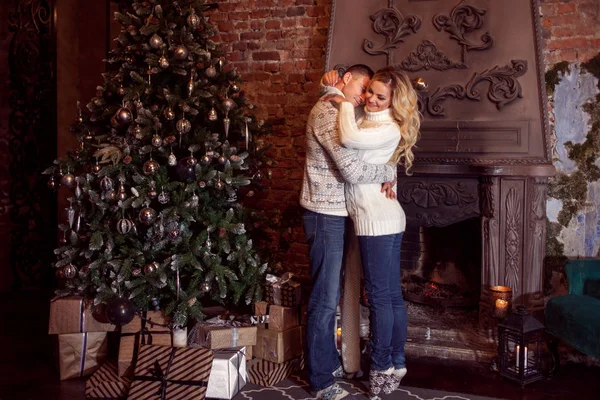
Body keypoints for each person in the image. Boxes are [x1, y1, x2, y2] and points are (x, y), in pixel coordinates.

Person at [300, 64, 397, 400]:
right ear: (345, 79)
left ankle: (325, 363)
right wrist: (389, 170)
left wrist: (390, 166)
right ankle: (321, 382)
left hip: (340, 214)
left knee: (333, 298)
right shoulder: (329, 111)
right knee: (325, 301)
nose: (365, 95)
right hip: (324, 215)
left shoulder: (343, 111)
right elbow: (352, 169)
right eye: (363, 86)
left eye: (373, 90)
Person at [324, 67, 421, 399]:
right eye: (370, 92)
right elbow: (367, 149)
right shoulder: (370, 120)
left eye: (381, 97)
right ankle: (396, 361)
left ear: (396, 102)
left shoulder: (386, 126)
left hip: (377, 221)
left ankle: (381, 367)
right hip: (382, 218)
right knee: (391, 296)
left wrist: (342, 100)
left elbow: (349, 140)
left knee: (382, 298)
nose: (372, 100)